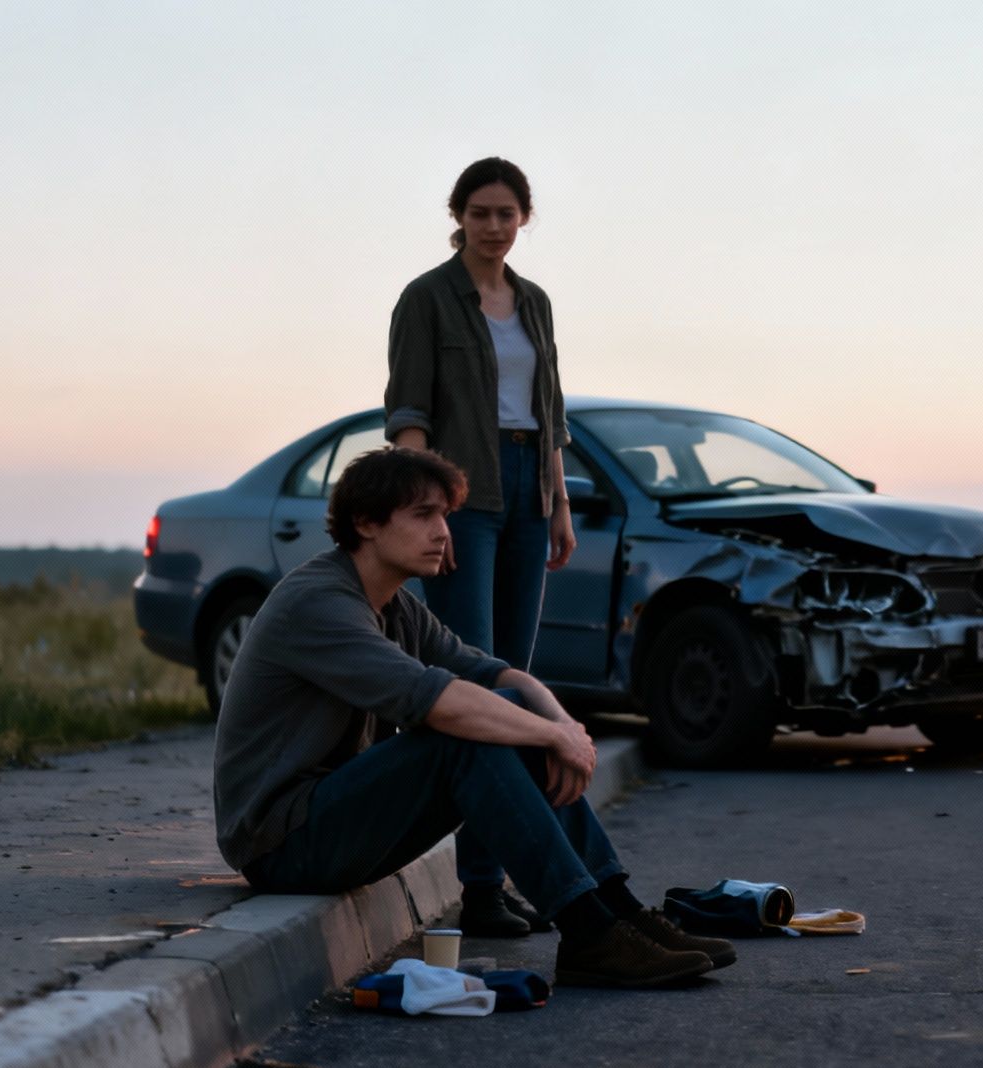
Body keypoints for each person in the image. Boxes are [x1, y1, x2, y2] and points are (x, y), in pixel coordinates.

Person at [211, 446, 735, 987]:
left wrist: (564, 729)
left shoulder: (396, 605)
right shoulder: (319, 602)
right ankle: (588, 933)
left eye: (445, 515)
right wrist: (552, 736)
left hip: (334, 820)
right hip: (283, 843)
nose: (443, 531)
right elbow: (437, 700)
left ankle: (618, 912)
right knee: (460, 736)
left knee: (502, 713)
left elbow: (501, 677)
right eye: (423, 515)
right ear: (366, 523)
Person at [385, 157, 575, 939]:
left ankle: (498, 878)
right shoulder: (426, 299)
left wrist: (558, 503)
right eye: (480, 213)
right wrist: (425, 508)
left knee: (519, 687)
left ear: (525, 218)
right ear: (458, 215)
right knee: (476, 687)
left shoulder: (533, 303)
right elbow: (407, 412)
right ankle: (480, 887)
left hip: (530, 488)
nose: (494, 226)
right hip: (464, 494)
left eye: (507, 214)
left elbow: (550, 412)